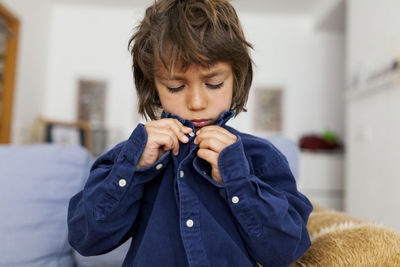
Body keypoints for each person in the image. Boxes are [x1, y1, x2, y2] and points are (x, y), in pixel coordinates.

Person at [67, 0, 313, 266]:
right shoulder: (129, 159)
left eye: (214, 83)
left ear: (236, 78)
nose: (196, 102)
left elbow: (287, 250)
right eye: (175, 87)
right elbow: (85, 239)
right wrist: (133, 169)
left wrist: (237, 181)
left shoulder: (262, 157)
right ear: (153, 87)